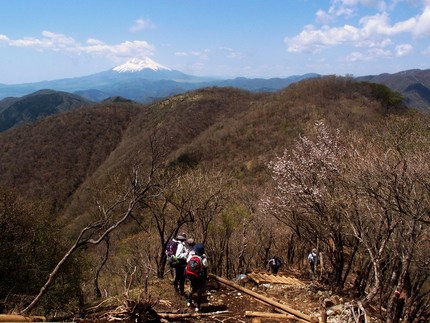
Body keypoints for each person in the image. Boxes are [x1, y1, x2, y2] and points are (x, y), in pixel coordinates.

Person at [186, 243, 208, 312]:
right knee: (199, 291)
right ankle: (197, 306)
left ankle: (189, 301)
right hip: (199, 277)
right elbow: (205, 267)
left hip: (191, 276)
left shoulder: (191, 257)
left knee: (191, 287)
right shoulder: (203, 259)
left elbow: (187, 264)